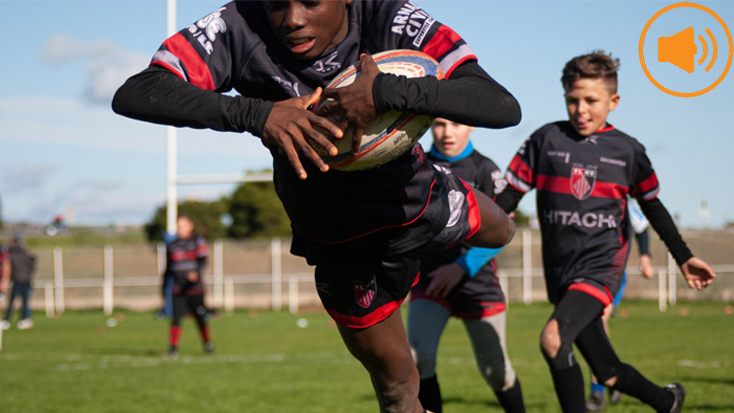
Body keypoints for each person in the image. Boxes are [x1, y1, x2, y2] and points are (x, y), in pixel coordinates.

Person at [112, 1, 520, 411]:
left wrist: (383, 91)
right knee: (398, 390)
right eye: (276, 4)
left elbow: (499, 104)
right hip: (340, 240)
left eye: (310, 1)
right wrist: (256, 113)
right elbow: (138, 90)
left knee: (502, 229)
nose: (292, 19)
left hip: (417, 198)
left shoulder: (386, 14)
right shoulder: (238, 24)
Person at [494, 51, 715, 413]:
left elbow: (653, 206)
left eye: (591, 101)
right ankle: (668, 401)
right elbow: (509, 195)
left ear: (613, 102)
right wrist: (465, 226)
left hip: (601, 267)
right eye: (573, 100)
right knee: (607, 371)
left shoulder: (628, 151)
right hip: (560, 271)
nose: (581, 109)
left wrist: (684, 256)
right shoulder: (545, 140)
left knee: (553, 340)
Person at [407, 119, 525, 413]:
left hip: (477, 282)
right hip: (430, 280)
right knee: (418, 358)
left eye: (456, 124)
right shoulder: (415, 164)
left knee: (497, 373)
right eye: (439, 124)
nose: (447, 132)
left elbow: (503, 229)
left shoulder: (485, 170)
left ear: (471, 126)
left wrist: (463, 265)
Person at [586, 199, 654, 411]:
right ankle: (614, 374)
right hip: (582, 271)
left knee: (599, 319)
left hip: (611, 273)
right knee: (584, 326)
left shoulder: (616, 193)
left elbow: (641, 225)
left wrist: (645, 255)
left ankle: (598, 392)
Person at [164, 215, 213, 357]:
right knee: (176, 317)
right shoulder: (173, 245)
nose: (181, 228)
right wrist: (163, 287)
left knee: (199, 316)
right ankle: (173, 349)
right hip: (178, 288)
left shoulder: (198, 241)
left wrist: (196, 273)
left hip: (195, 288)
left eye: (183, 225)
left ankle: (207, 344)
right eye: (179, 225)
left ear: (190, 226)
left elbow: (203, 261)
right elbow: (168, 268)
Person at [1, 236, 37, 330]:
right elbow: (32, 265)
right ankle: (25, 319)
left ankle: (7, 320)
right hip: (26, 280)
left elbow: (9, 267)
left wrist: (10, 278)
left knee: (12, 302)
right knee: (25, 301)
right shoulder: (26, 254)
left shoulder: (11, 255)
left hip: (17, 281)